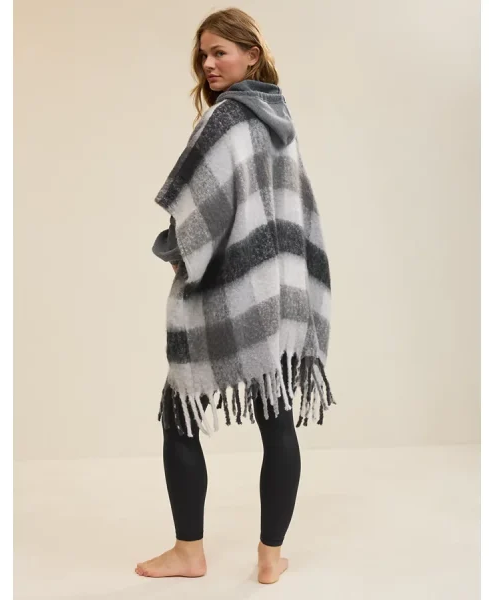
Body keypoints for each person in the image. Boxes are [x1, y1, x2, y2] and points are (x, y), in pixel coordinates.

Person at [136, 7, 334, 585]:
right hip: (276, 292)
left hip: (224, 292)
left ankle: (189, 552)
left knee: (180, 413)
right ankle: (270, 559)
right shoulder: (279, 119)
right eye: (203, 54)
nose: (208, 63)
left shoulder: (225, 118)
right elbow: (293, 211)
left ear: (252, 54)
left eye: (220, 51)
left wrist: (174, 250)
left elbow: (197, 210)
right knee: (276, 416)